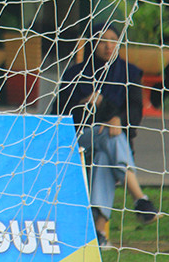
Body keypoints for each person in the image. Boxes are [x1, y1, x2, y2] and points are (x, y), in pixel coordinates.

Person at [57, 23, 161, 246]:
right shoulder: (75, 74)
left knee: (105, 152)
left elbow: (135, 111)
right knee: (108, 136)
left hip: (113, 143)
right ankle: (140, 199)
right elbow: (59, 113)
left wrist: (116, 118)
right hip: (78, 139)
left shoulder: (128, 72)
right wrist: (83, 104)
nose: (108, 45)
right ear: (92, 44)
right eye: (102, 41)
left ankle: (99, 233)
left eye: (113, 40)